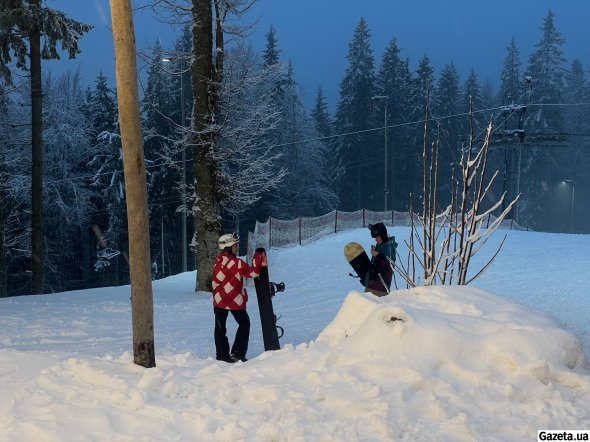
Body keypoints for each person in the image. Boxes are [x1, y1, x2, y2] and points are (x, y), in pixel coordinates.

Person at [212, 233, 266, 363]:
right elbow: (253, 272)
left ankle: (222, 355)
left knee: (220, 328)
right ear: (228, 247)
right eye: (235, 245)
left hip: (219, 300)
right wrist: (258, 257)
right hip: (234, 300)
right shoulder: (237, 263)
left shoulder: (217, 262)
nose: (237, 248)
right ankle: (238, 353)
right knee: (244, 323)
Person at [365, 222, 397, 297]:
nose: (376, 240)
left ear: (383, 235)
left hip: (381, 288)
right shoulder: (380, 245)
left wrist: (377, 255)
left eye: (377, 237)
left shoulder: (390, 247)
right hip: (372, 284)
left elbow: (389, 267)